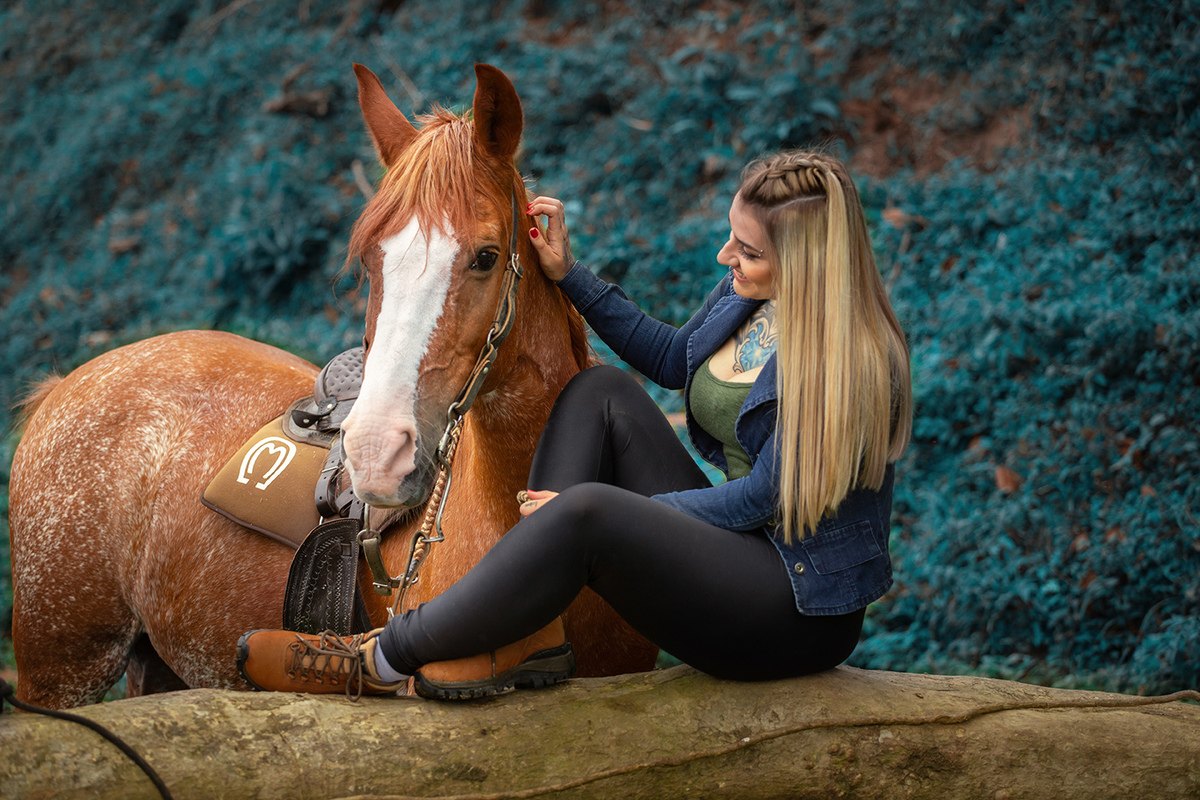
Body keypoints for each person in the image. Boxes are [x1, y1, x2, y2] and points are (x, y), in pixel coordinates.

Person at [237, 150, 914, 700]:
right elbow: (673, 359)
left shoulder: (848, 359)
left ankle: (380, 659)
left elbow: (765, 498)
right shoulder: (753, 295)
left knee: (587, 511)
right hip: (741, 552)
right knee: (601, 390)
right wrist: (568, 275)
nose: (724, 257)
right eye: (733, 237)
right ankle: (531, 626)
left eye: (747, 250)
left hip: (791, 608)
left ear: (805, 264)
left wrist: (621, 512)